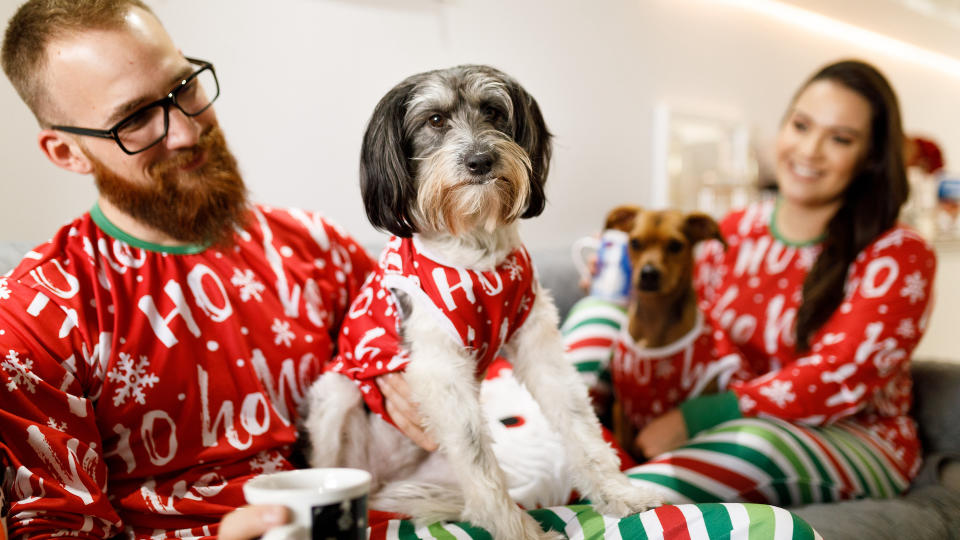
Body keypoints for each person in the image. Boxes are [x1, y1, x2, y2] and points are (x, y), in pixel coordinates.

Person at [565, 59, 937, 508]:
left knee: (757, 441)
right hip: (723, 419)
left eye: (840, 138)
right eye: (801, 126)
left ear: (869, 158)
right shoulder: (738, 228)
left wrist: (696, 417)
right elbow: (683, 320)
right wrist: (628, 295)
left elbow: (837, 372)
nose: (811, 149)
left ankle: (589, 508)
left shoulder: (898, 253)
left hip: (851, 436)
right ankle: (540, 452)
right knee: (600, 313)